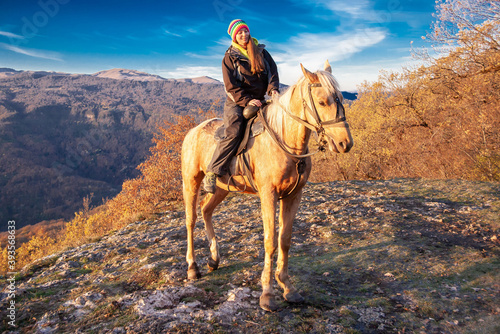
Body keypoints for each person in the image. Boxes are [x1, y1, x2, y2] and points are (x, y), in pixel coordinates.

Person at [204, 19, 280, 193]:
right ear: (234, 36)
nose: (244, 35)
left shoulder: (261, 51)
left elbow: (272, 72)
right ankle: (213, 171)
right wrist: (246, 101)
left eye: (245, 31)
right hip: (237, 101)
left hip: (260, 99)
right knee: (234, 131)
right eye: (239, 33)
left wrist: (273, 90)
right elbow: (230, 87)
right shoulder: (229, 57)